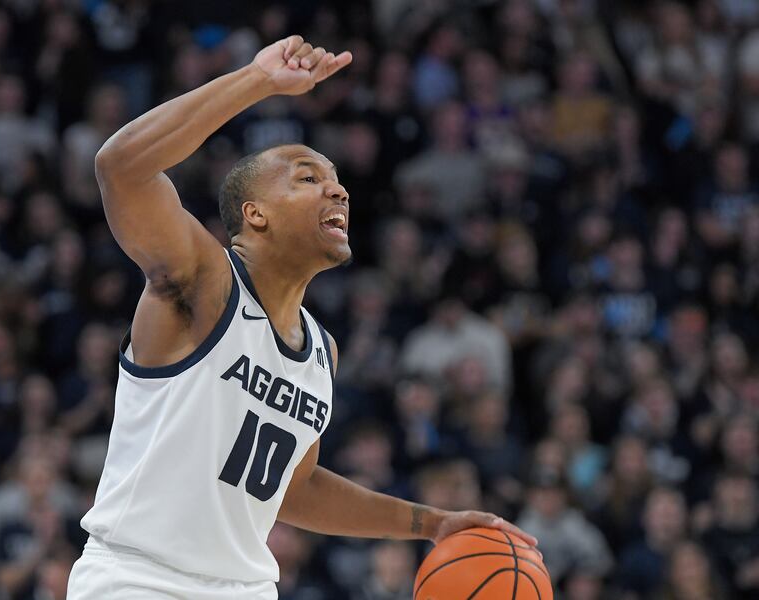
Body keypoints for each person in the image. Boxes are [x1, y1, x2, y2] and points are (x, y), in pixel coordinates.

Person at [66, 35, 538, 599]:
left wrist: (431, 524)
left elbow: (296, 488)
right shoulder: (204, 283)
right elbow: (120, 168)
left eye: (336, 181)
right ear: (255, 213)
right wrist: (257, 81)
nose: (337, 190)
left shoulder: (320, 350)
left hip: (246, 587)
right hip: (139, 579)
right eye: (307, 178)